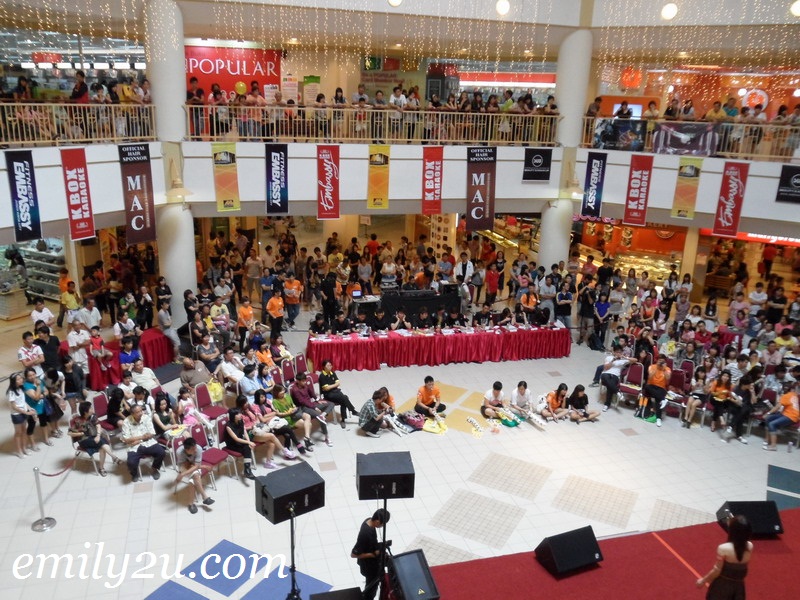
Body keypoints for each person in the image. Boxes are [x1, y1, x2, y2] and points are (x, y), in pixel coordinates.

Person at [696, 514, 752, 598]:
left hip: (722, 586)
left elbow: (717, 570)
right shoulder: (750, 546)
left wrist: (703, 581)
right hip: (739, 587)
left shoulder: (724, 548)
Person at [69, 400, 121, 476]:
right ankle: (114, 458)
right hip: (84, 440)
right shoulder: (77, 420)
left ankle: (102, 468)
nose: (92, 409)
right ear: (85, 412)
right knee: (102, 442)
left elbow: (98, 425)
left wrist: (98, 435)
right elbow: (70, 433)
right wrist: (80, 433)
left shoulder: (92, 417)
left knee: (102, 447)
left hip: (93, 437)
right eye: (90, 408)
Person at [351, 508, 391, 600]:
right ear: (377, 521)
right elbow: (353, 554)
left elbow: (371, 542)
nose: (383, 526)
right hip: (369, 566)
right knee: (371, 589)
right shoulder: (365, 534)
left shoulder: (369, 520)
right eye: (383, 524)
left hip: (373, 556)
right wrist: (372, 555)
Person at [121, 403, 166, 482]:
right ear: (132, 414)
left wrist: (137, 440)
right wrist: (142, 437)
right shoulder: (126, 422)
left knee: (161, 452)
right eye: (138, 412)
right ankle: (134, 474)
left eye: (141, 411)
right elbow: (126, 439)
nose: (141, 413)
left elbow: (152, 433)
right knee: (131, 462)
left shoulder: (146, 418)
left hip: (148, 442)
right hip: (134, 446)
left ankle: (154, 468)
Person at [290, 371, 334, 446]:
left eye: (305, 380)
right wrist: (314, 407)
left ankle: (323, 414)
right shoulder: (295, 390)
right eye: (303, 381)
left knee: (331, 404)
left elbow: (311, 392)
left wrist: (317, 400)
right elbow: (302, 401)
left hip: (311, 404)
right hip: (304, 408)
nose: (305, 382)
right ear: (298, 381)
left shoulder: (305, 385)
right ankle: (327, 437)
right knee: (321, 419)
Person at [175, 437, 215, 514]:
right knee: (195, 476)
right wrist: (204, 467)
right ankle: (205, 497)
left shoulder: (198, 449)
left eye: (195, 447)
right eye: (193, 449)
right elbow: (186, 465)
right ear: (186, 450)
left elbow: (196, 466)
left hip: (194, 465)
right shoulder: (179, 452)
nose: (195, 450)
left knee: (192, 481)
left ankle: (191, 504)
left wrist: (182, 474)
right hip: (184, 466)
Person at [318, 360, 359, 428]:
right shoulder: (322, 376)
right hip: (328, 395)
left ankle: (343, 420)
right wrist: (334, 385)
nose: (330, 367)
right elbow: (326, 389)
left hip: (335, 392)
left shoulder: (332, 373)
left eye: (330, 365)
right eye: (328, 365)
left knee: (344, 400)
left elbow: (338, 383)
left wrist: (331, 386)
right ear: (324, 367)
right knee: (344, 397)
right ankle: (353, 411)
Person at [7, 372, 38, 458]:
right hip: (17, 415)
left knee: (24, 431)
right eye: (19, 379)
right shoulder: (11, 392)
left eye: (21, 378)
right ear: (14, 381)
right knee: (18, 433)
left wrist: (29, 408)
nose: (21, 380)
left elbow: (23, 402)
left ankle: (24, 448)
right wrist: (27, 412)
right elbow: (14, 407)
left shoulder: (21, 388)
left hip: (24, 413)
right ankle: (19, 451)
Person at [762, 382, 800, 451]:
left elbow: (777, 407)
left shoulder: (785, 396)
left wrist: (768, 413)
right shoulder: (794, 394)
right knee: (768, 419)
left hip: (791, 416)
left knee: (772, 424)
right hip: (788, 414)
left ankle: (773, 446)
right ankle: (767, 439)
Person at [599, 345, 637, 412]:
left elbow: (635, 360)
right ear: (614, 352)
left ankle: (607, 405)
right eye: (617, 352)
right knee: (606, 377)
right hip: (606, 374)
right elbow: (606, 368)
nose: (618, 353)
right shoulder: (609, 358)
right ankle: (617, 392)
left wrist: (625, 357)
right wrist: (613, 360)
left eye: (620, 352)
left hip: (615, 376)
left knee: (610, 386)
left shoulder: (623, 360)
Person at [224, 408, 257, 479]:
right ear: (233, 416)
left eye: (240, 413)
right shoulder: (228, 426)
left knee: (247, 447)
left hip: (240, 441)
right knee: (247, 448)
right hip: (232, 444)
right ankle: (247, 470)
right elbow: (236, 439)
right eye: (238, 414)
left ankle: (247, 469)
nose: (240, 415)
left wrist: (248, 441)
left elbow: (245, 432)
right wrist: (249, 442)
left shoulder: (241, 421)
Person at [640, 355, 671, 427]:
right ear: (657, 360)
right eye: (659, 360)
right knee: (646, 387)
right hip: (651, 386)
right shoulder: (652, 366)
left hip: (661, 388)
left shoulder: (667, 369)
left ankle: (658, 418)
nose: (660, 362)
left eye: (662, 361)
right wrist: (657, 367)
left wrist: (664, 369)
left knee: (658, 400)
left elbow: (667, 378)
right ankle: (663, 400)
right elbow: (650, 377)